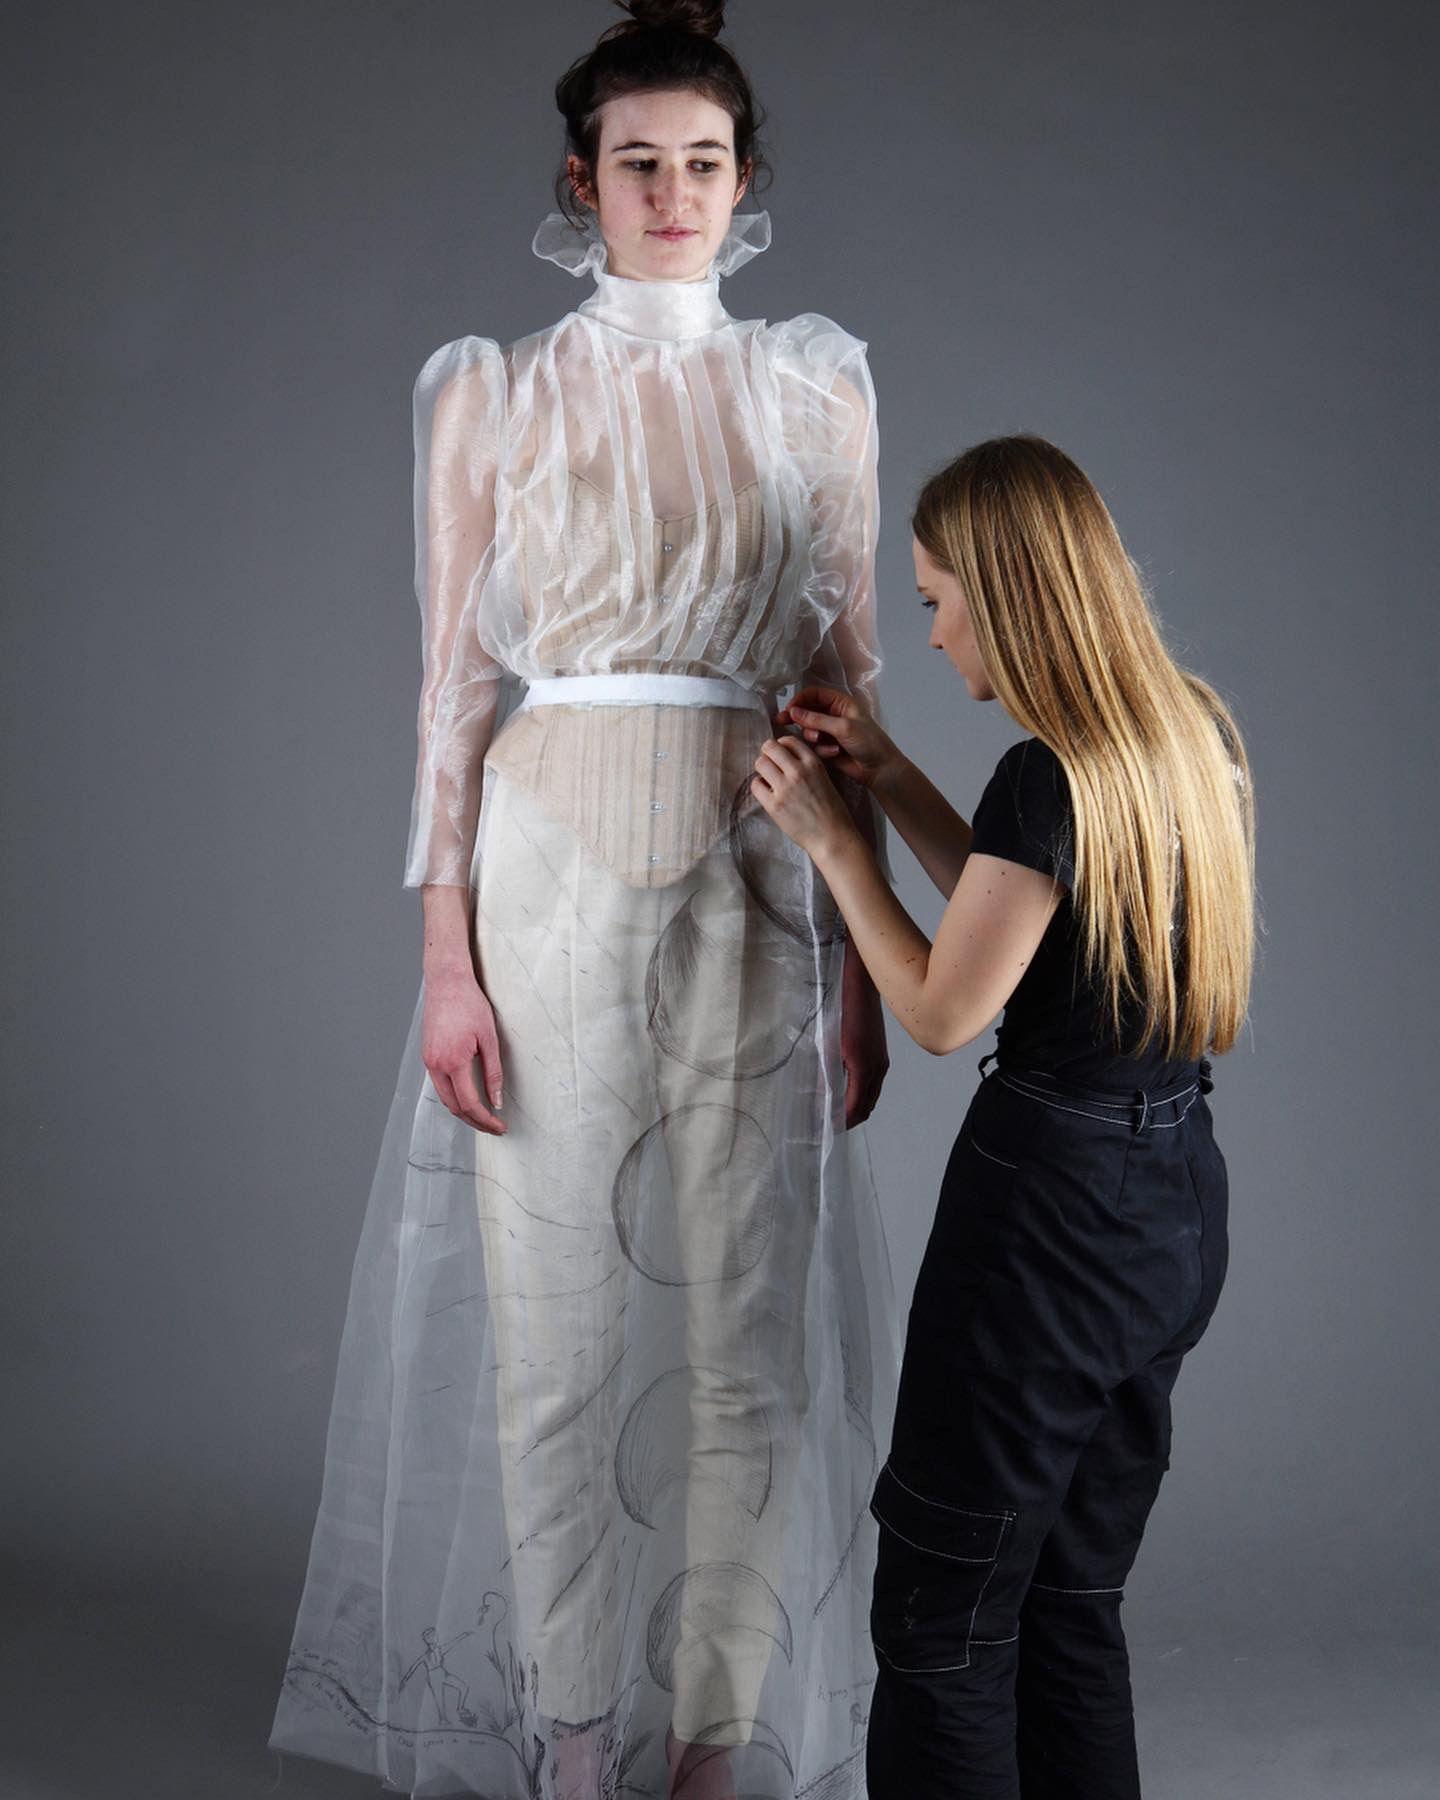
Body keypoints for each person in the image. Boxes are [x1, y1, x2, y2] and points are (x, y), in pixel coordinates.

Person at [267, 4, 896, 1797]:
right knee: (552, 1340)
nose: (675, 192)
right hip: (542, 888)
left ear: (745, 184)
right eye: (641, 164)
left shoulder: (819, 387)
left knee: (747, 1345)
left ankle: (709, 1743)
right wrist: (443, 956)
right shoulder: (493, 388)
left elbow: (849, 689)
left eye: (706, 163)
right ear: (583, 184)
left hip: (767, 887)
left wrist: (862, 950)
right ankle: (569, 1736)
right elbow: (450, 696)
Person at [751, 435, 1255, 1799]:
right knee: (1066, 1606)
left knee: (940, 1620)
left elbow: (940, 1007)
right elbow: (1024, 909)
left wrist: (835, 841)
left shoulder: (1050, 772)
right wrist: (892, 770)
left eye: (933, 596)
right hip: (1170, 1209)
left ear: (1004, 592)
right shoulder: (1186, 733)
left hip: (1051, 1228)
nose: (927, 627)